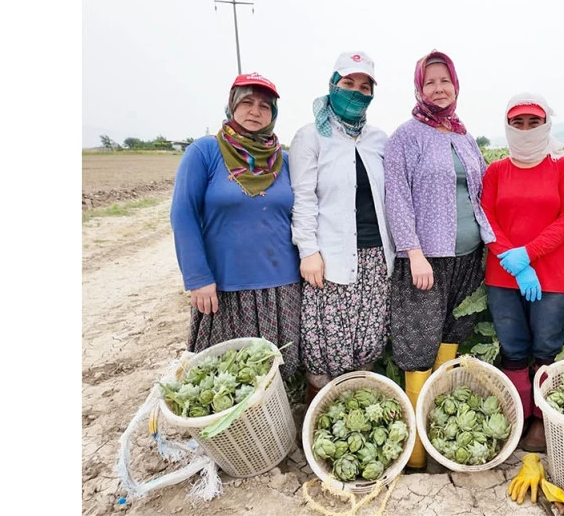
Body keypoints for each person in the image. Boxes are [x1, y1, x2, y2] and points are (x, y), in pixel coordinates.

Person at [384, 50, 494, 468]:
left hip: (468, 254)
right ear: (418, 88)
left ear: (456, 85)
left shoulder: (464, 137)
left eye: (444, 80)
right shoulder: (405, 138)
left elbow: (479, 195)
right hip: (426, 257)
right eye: (429, 82)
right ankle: (413, 446)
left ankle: (435, 423)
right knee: (418, 339)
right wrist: (413, 252)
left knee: (454, 329)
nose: (438, 88)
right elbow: (397, 198)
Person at [170, 72, 300, 379]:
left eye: (264, 106)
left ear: (274, 114)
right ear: (231, 106)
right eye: (247, 102)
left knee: (278, 375)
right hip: (225, 289)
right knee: (228, 379)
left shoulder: (286, 160)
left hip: (282, 288)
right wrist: (197, 277)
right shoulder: (205, 152)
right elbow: (183, 214)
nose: (255, 111)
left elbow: (305, 215)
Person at [289, 51, 396, 407]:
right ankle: (320, 410)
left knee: (368, 336)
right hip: (330, 258)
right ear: (332, 85)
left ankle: (359, 406)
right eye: (348, 83)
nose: (356, 92)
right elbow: (303, 199)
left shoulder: (378, 139)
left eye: (364, 86)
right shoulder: (310, 137)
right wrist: (308, 252)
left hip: (376, 257)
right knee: (325, 341)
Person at [480, 93, 564, 452]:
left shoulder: (562, 167)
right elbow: (487, 218)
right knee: (514, 349)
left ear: (546, 124)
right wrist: (513, 260)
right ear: (508, 127)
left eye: (533, 122)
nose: (525, 129)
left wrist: (529, 254)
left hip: (552, 276)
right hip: (504, 276)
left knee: (546, 348)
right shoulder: (496, 171)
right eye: (517, 123)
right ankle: (519, 413)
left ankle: (540, 421)